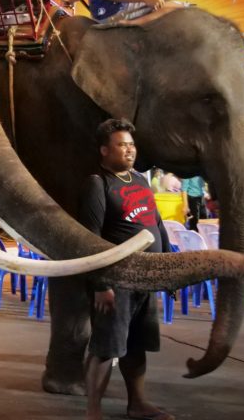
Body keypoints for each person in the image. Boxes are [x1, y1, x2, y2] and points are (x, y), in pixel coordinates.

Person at [78, 118, 172, 420]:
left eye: (131, 145)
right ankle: (94, 411)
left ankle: (138, 403)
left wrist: (166, 267)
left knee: (137, 344)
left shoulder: (140, 180)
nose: (129, 151)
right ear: (105, 150)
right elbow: (90, 239)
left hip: (146, 277)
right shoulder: (98, 184)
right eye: (121, 145)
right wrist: (100, 285)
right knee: (106, 347)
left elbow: (156, 223)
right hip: (116, 282)